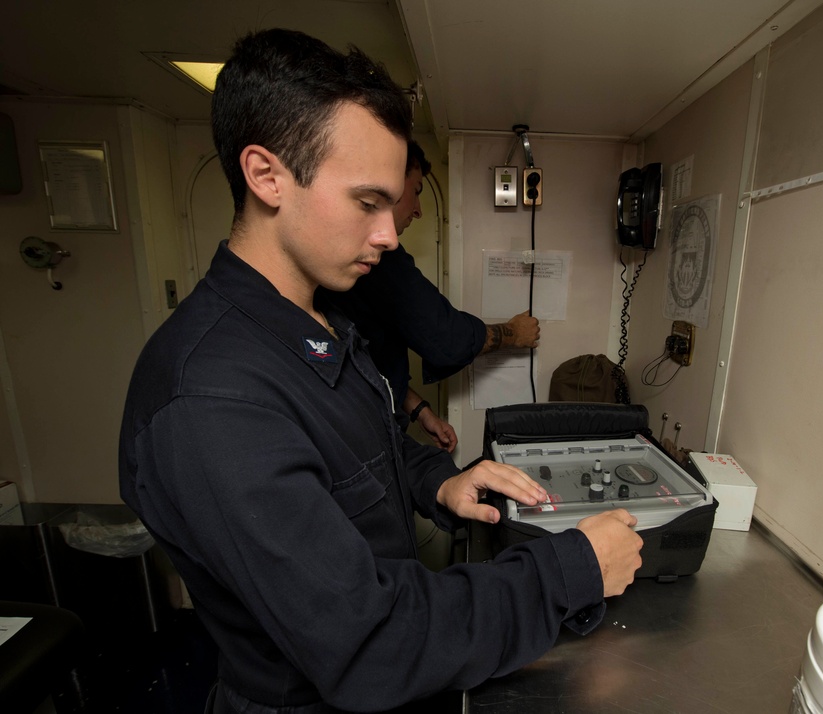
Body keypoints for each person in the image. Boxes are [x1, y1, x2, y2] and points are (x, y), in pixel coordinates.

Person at [118, 28, 642, 714]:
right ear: (267, 175)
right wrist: (567, 572)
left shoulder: (319, 321)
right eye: (367, 202)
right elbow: (365, 639)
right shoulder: (211, 398)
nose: (390, 233)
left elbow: (365, 449)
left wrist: (441, 481)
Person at [331, 141, 539, 453]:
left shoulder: (355, 256)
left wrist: (419, 410)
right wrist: (512, 333)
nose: (417, 210)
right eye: (416, 191)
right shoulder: (379, 255)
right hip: (363, 438)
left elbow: (369, 360)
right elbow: (446, 338)